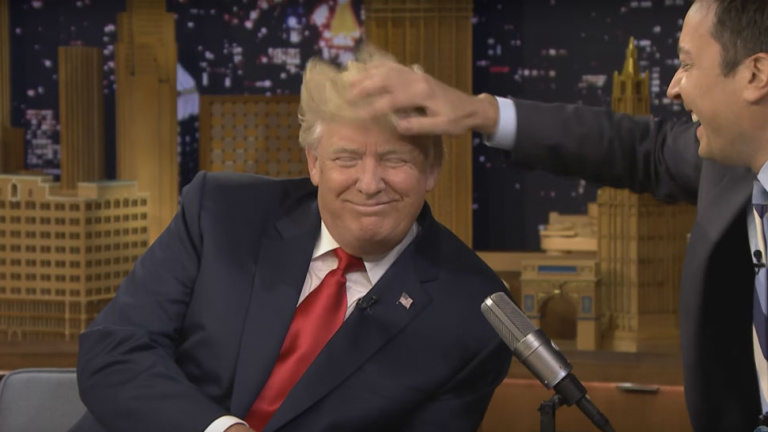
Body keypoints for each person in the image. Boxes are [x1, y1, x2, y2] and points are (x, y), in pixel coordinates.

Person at [347, 0, 768, 430]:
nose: (674, 88)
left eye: (688, 64)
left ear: (755, 74)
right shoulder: (725, 164)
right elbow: (635, 147)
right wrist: (482, 113)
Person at [68, 49, 512, 432]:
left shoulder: (472, 314)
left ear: (432, 170)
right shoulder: (221, 214)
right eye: (347, 158)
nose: (369, 183)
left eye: (395, 160)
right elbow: (114, 352)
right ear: (314, 162)